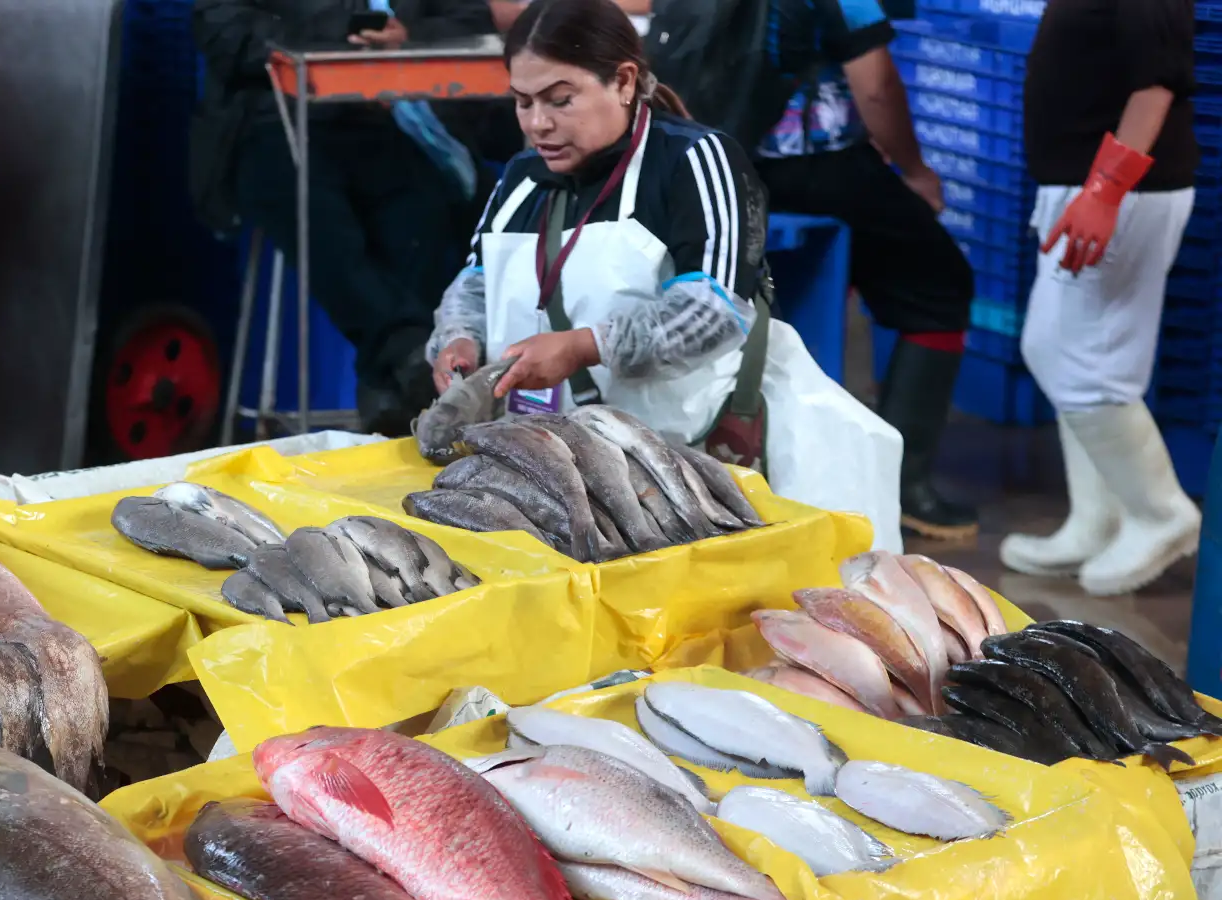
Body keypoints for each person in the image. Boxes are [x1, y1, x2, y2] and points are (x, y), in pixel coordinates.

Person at [427, 0, 902, 547]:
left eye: (561, 99)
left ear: (624, 81)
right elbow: (476, 281)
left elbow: (714, 309)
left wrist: (585, 346)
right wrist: (459, 338)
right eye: (523, 102)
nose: (538, 123)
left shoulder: (696, 161)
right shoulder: (523, 177)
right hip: (556, 471)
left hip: (693, 468)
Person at [192, 0, 495, 433]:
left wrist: (407, 38)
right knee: (312, 209)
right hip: (271, 120)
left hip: (386, 122)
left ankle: (398, 387)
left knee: (422, 206)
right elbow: (221, 30)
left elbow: (472, 20)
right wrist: (342, 37)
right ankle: (406, 357)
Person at [749, 0, 977, 540]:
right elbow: (875, 87)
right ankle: (902, 488)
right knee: (942, 286)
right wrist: (916, 171)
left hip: (732, 166)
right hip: (818, 168)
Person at [1000, 0, 1197, 596]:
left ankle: (1160, 512)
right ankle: (1099, 519)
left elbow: (1156, 80)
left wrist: (1106, 190)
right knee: (1086, 360)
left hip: (1117, 191)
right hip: (1086, 187)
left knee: (1073, 360)